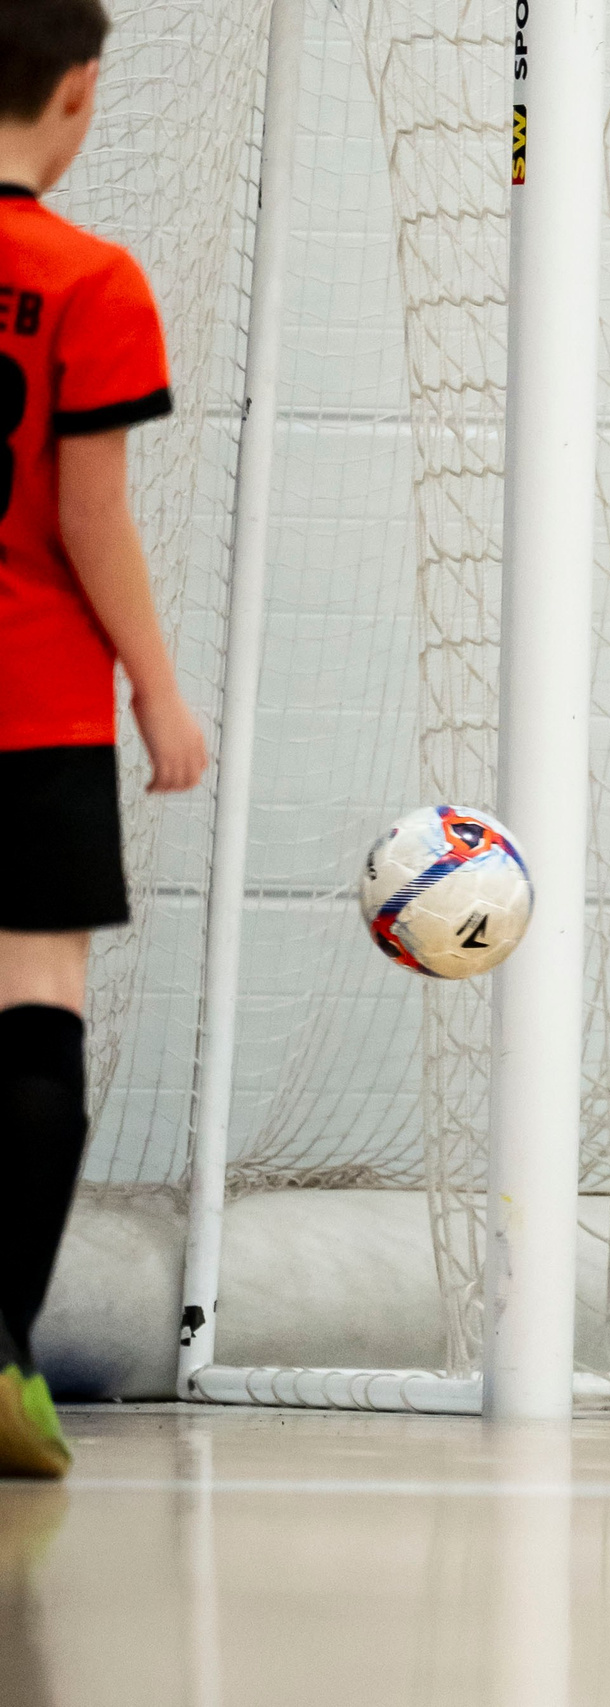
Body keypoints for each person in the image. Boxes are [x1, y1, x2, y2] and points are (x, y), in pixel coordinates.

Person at [0, 0, 206, 1479]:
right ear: (77, 91)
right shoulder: (88, 278)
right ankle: (1, 1353)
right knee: (36, 997)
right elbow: (90, 512)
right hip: (31, 703)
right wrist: (156, 685)